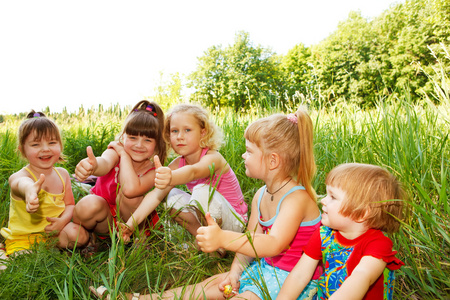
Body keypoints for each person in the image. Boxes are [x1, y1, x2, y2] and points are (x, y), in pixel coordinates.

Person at [91, 108, 322, 300]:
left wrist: (222, 239)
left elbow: (273, 244)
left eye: (249, 151)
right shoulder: (261, 195)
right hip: (268, 271)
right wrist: (234, 272)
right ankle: (140, 299)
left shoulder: (296, 198)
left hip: (296, 280)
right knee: (210, 285)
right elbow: (250, 243)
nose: (242, 155)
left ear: (273, 161)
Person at [118, 104, 248, 255]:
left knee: (202, 191)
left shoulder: (213, 158)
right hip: (208, 218)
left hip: (233, 223)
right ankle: (206, 243)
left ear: (203, 133)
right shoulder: (178, 164)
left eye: (187, 130)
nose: (180, 136)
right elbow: (154, 196)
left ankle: (214, 243)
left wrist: (170, 177)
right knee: (171, 196)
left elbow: (193, 172)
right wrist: (130, 225)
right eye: (174, 131)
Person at [277, 163, 405, 300]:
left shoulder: (379, 244)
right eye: (327, 194)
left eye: (333, 197)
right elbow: (300, 275)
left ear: (361, 213)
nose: (323, 201)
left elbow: (361, 277)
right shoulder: (324, 234)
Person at [0, 111, 89, 266]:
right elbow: (20, 184)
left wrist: (62, 222)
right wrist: (29, 191)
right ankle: (6, 251)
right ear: (23, 150)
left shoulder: (63, 174)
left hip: (52, 235)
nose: (45, 149)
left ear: (60, 145)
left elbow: (70, 205)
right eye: (35, 144)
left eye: (52, 143)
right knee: (27, 264)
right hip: (24, 238)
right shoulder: (20, 176)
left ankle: (55, 249)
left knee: (80, 236)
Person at [73, 100, 166, 242]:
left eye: (148, 140)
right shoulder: (114, 152)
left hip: (134, 223)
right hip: (105, 220)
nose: (139, 145)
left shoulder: (153, 170)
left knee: (130, 196)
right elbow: (104, 163)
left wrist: (124, 155)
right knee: (88, 205)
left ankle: (140, 244)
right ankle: (93, 238)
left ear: (158, 144)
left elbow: (130, 189)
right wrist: (93, 166)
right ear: (123, 137)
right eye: (133, 137)